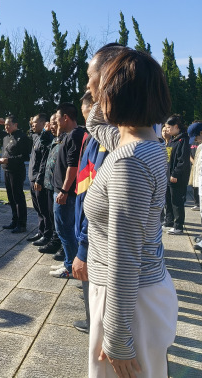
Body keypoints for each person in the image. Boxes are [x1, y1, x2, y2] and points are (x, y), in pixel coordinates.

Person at [84, 48, 178, 378]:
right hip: (135, 296)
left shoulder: (129, 162)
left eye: (93, 80)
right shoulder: (143, 144)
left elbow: (125, 256)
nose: (88, 86)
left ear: (112, 89)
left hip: (127, 304)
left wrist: (117, 337)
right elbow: (95, 122)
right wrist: (111, 73)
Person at [49, 102, 85, 278]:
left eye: (57, 118)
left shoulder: (75, 135)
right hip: (62, 190)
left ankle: (71, 267)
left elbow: (73, 166)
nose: (55, 121)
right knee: (65, 229)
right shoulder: (69, 135)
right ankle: (69, 262)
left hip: (66, 193)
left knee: (65, 230)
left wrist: (64, 190)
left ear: (65, 118)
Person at [0, 115, 32, 233]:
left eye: (8, 125)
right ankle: (14, 221)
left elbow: (25, 157)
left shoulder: (22, 137)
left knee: (18, 197)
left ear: (15, 125)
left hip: (17, 171)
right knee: (11, 198)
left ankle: (22, 224)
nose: (6, 127)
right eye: (5, 125)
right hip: (7, 170)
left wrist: (9, 160)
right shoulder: (6, 136)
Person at [38, 113, 64, 255]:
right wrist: (45, 131)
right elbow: (43, 142)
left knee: (60, 219)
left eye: (54, 123)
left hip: (59, 186)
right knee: (51, 215)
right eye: (50, 124)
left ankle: (62, 246)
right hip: (49, 184)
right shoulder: (54, 140)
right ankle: (55, 241)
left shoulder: (66, 139)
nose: (52, 127)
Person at [26, 113, 54, 243]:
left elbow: (44, 161)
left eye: (35, 122)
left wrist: (39, 179)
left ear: (44, 124)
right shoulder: (36, 137)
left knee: (44, 209)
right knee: (38, 209)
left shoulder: (47, 139)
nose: (33, 125)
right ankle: (41, 231)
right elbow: (30, 130)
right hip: (32, 178)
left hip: (39, 180)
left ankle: (47, 235)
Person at [164, 114, 191, 235]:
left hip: (177, 177)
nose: (167, 130)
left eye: (169, 128)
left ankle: (178, 225)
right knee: (169, 200)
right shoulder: (172, 140)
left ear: (176, 126)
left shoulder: (183, 140)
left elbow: (183, 160)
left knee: (177, 201)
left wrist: (175, 174)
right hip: (168, 176)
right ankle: (169, 221)